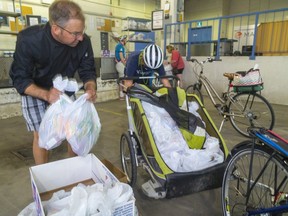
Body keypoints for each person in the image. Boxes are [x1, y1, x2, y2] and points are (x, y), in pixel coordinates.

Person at [9, 0, 97, 165]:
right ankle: (45, 175)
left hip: (64, 87)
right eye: (75, 33)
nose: (81, 37)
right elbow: (20, 78)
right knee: (42, 134)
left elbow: (88, 70)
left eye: (82, 31)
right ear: (56, 29)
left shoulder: (83, 42)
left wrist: (90, 88)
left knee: (75, 130)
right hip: (35, 89)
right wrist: (46, 94)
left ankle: (74, 169)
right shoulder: (29, 40)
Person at [115, 35, 127, 100]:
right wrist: (126, 65)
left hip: (120, 63)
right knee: (123, 79)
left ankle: (122, 94)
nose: (126, 41)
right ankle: (122, 94)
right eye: (125, 40)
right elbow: (122, 58)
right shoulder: (120, 47)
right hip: (121, 64)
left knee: (122, 79)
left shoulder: (119, 46)